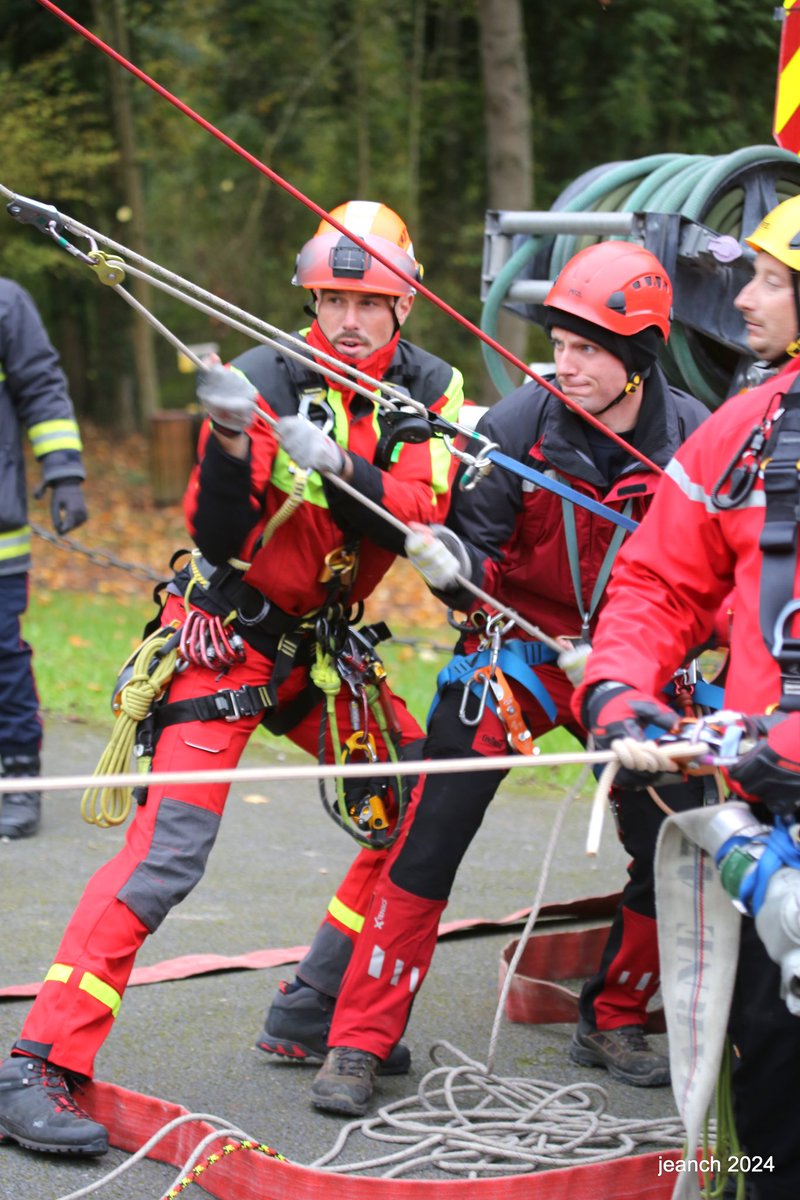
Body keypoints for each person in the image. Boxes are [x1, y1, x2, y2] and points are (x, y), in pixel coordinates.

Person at [0, 201, 463, 1156]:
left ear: (404, 303)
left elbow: (418, 514)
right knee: (169, 853)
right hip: (229, 638)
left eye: (367, 302)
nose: (346, 320)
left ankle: (317, 999)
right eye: (330, 300)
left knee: (418, 800)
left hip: (323, 651)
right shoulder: (265, 376)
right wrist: (227, 442)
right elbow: (216, 531)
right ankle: (37, 1062)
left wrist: (336, 467)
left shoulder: (432, 390)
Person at [308, 239, 714, 1117]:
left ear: (640, 357)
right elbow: (478, 566)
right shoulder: (514, 428)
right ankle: (359, 1040)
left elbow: (710, 581)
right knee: (430, 831)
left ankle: (615, 1017)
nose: (564, 365)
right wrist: (451, 565)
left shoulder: (695, 441)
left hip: (632, 661)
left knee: (676, 834)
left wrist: (659, 657)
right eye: (559, 345)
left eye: (588, 350)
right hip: (514, 654)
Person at [570, 195, 800, 1200]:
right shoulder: (746, 432)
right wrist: (618, 687)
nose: (743, 299)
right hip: (768, 827)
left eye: (773, 283)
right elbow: (659, 580)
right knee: (768, 1086)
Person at [0, 277, 87, 840]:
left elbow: (42, 389)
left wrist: (64, 472)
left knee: (1, 661)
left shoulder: (5, 304)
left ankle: (17, 777)